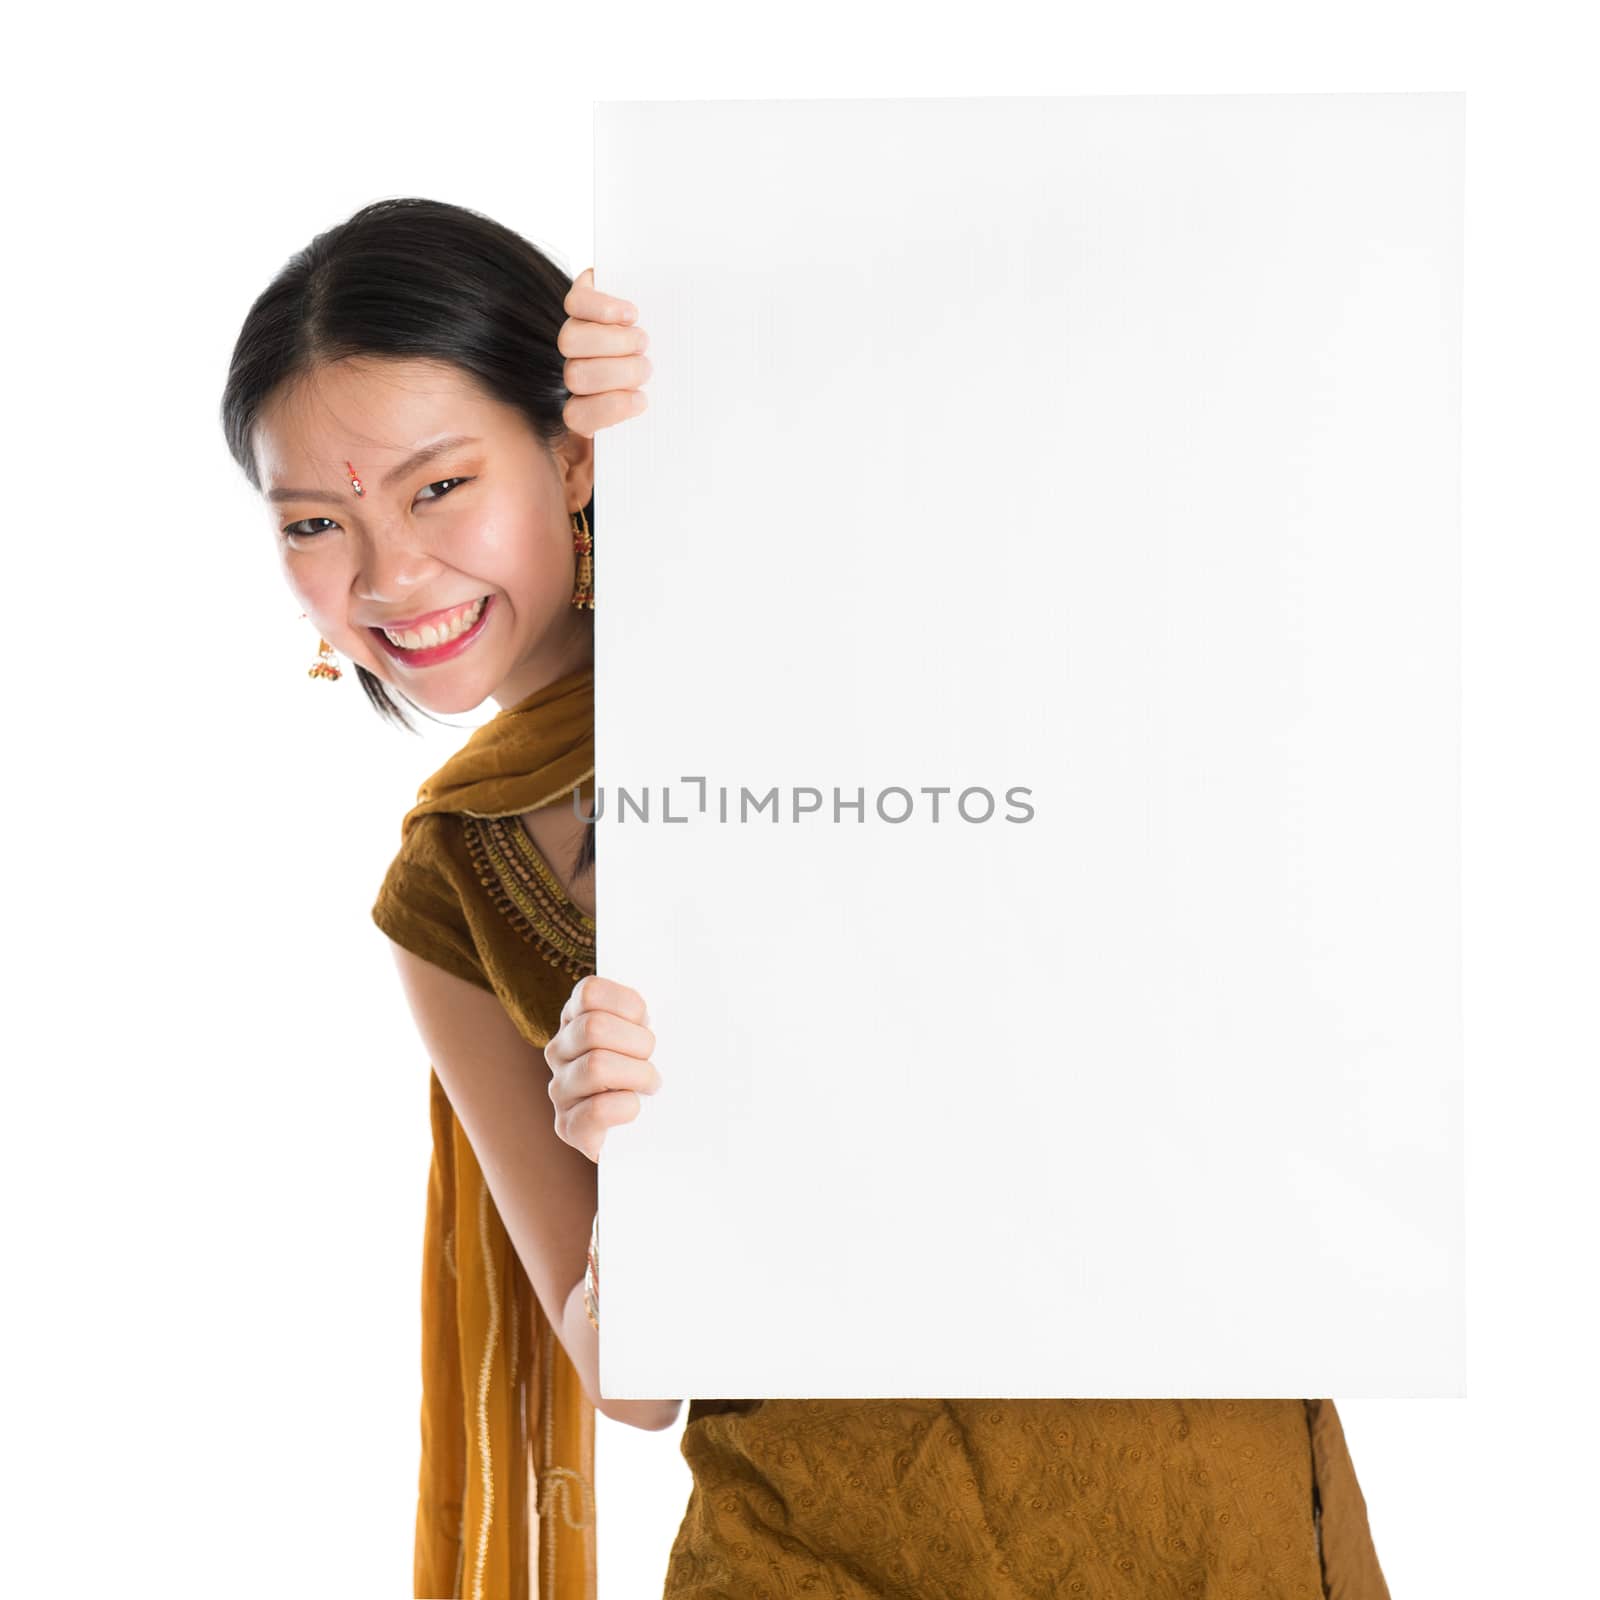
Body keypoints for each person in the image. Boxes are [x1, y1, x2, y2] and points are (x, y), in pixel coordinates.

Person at [221, 197, 1393, 1600]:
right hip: (804, 1541)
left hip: (1184, 1486)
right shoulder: (449, 880)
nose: (389, 574)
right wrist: (637, 1176)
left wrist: (733, 373)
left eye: (437, 486)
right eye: (314, 520)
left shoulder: (840, 627)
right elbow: (630, 1384)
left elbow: (1095, 386)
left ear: (571, 449)